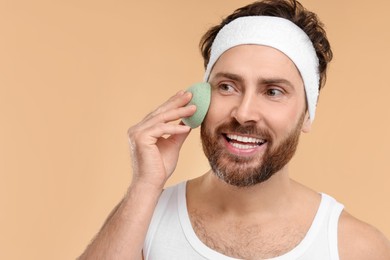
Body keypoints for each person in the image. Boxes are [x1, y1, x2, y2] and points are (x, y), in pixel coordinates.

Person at [78, 0, 390, 259]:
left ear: (307, 114)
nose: (243, 113)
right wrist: (144, 185)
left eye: (273, 91)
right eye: (227, 86)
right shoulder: (144, 221)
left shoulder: (354, 247)